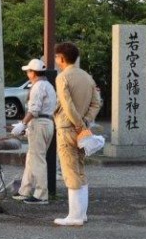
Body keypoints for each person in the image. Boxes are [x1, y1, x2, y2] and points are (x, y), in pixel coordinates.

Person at [53, 41, 102, 226]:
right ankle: (81, 213)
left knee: (69, 170)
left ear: (62, 58)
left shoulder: (62, 77)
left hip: (67, 128)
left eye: (57, 57)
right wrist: (86, 122)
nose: (56, 60)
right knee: (80, 169)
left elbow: (66, 105)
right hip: (83, 131)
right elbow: (96, 103)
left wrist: (78, 124)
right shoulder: (87, 77)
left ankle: (74, 216)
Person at [10, 59, 57, 205]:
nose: (27, 73)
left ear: (33, 72)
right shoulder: (48, 85)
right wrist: (25, 124)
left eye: (28, 71)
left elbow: (34, 110)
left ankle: (41, 195)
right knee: (32, 159)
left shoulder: (37, 87)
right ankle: (25, 191)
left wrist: (23, 124)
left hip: (39, 123)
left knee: (37, 160)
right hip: (47, 122)